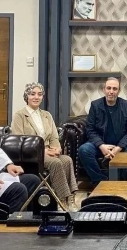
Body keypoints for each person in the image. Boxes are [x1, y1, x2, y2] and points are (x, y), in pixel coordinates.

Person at [11, 82, 78, 211]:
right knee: (56, 163)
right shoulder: (19, 116)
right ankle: (61, 200)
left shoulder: (47, 115)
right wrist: (43, 152)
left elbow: (54, 137)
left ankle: (70, 199)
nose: (36, 97)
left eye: (39, 94)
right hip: (31, 155)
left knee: (67, 160)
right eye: (32, 94)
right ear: (26, 96)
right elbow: (20, 141)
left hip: (49, 151)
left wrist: (57, 148)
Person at [78, 77, 127, 184]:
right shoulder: (95, 105)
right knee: (84, 149)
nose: (111, 91)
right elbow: (90, 129)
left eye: (114, 89)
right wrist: (101, 145)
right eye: (109, 88)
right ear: (104, 90)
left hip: (122, 146)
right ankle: (101, 182)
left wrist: (118, 148)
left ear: (119, 91)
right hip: (100, 145)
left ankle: (120, 182)